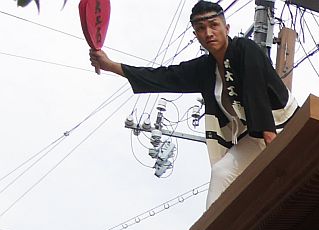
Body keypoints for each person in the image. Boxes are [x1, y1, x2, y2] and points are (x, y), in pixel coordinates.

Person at [89, 2, 298, 207]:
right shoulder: (204, 68)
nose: (208, 33)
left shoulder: (245, 48)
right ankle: (214, 229)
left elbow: (256, 89)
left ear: (226, 28)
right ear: (196, 34)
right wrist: (111, 66)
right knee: (221, 172)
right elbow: (165, 76)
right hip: (255, 135)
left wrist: (272, 141)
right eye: (201, 28)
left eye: (214, 25)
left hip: (281, 124)